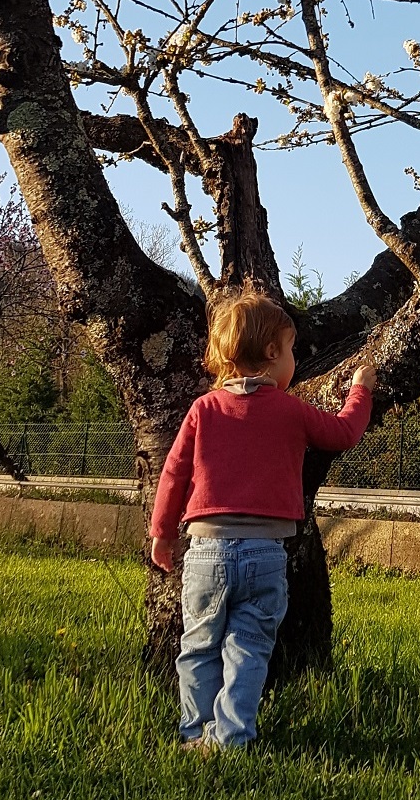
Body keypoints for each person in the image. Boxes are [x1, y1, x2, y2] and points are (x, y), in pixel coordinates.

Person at [150, 288, 376, 750]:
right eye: (290, 349)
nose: (293, 358)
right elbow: (342, 433)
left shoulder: (204, 409)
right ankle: (232, 735)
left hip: (206, 552)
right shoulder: (290, 409)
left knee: (197, 646)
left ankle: (194, 732)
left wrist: (161, 533)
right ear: (272, 352)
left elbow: (173, 472)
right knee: (248, 646)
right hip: (266, 554)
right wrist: (360, 389)